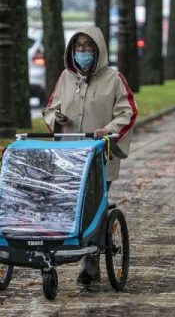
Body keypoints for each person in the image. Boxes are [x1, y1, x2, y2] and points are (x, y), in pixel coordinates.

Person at [42, 25, 137, 285]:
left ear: (98, 50)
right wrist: (56, 118)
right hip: (68, 157)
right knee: (68, 205)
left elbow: (128, 113)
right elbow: (49, 109)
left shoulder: (114, 79)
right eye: (78, 46)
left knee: (92, 206)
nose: (82, 50)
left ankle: (90, 261)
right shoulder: (65, 78)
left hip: (99, 157)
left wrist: (108, 130)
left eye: (87, 46)